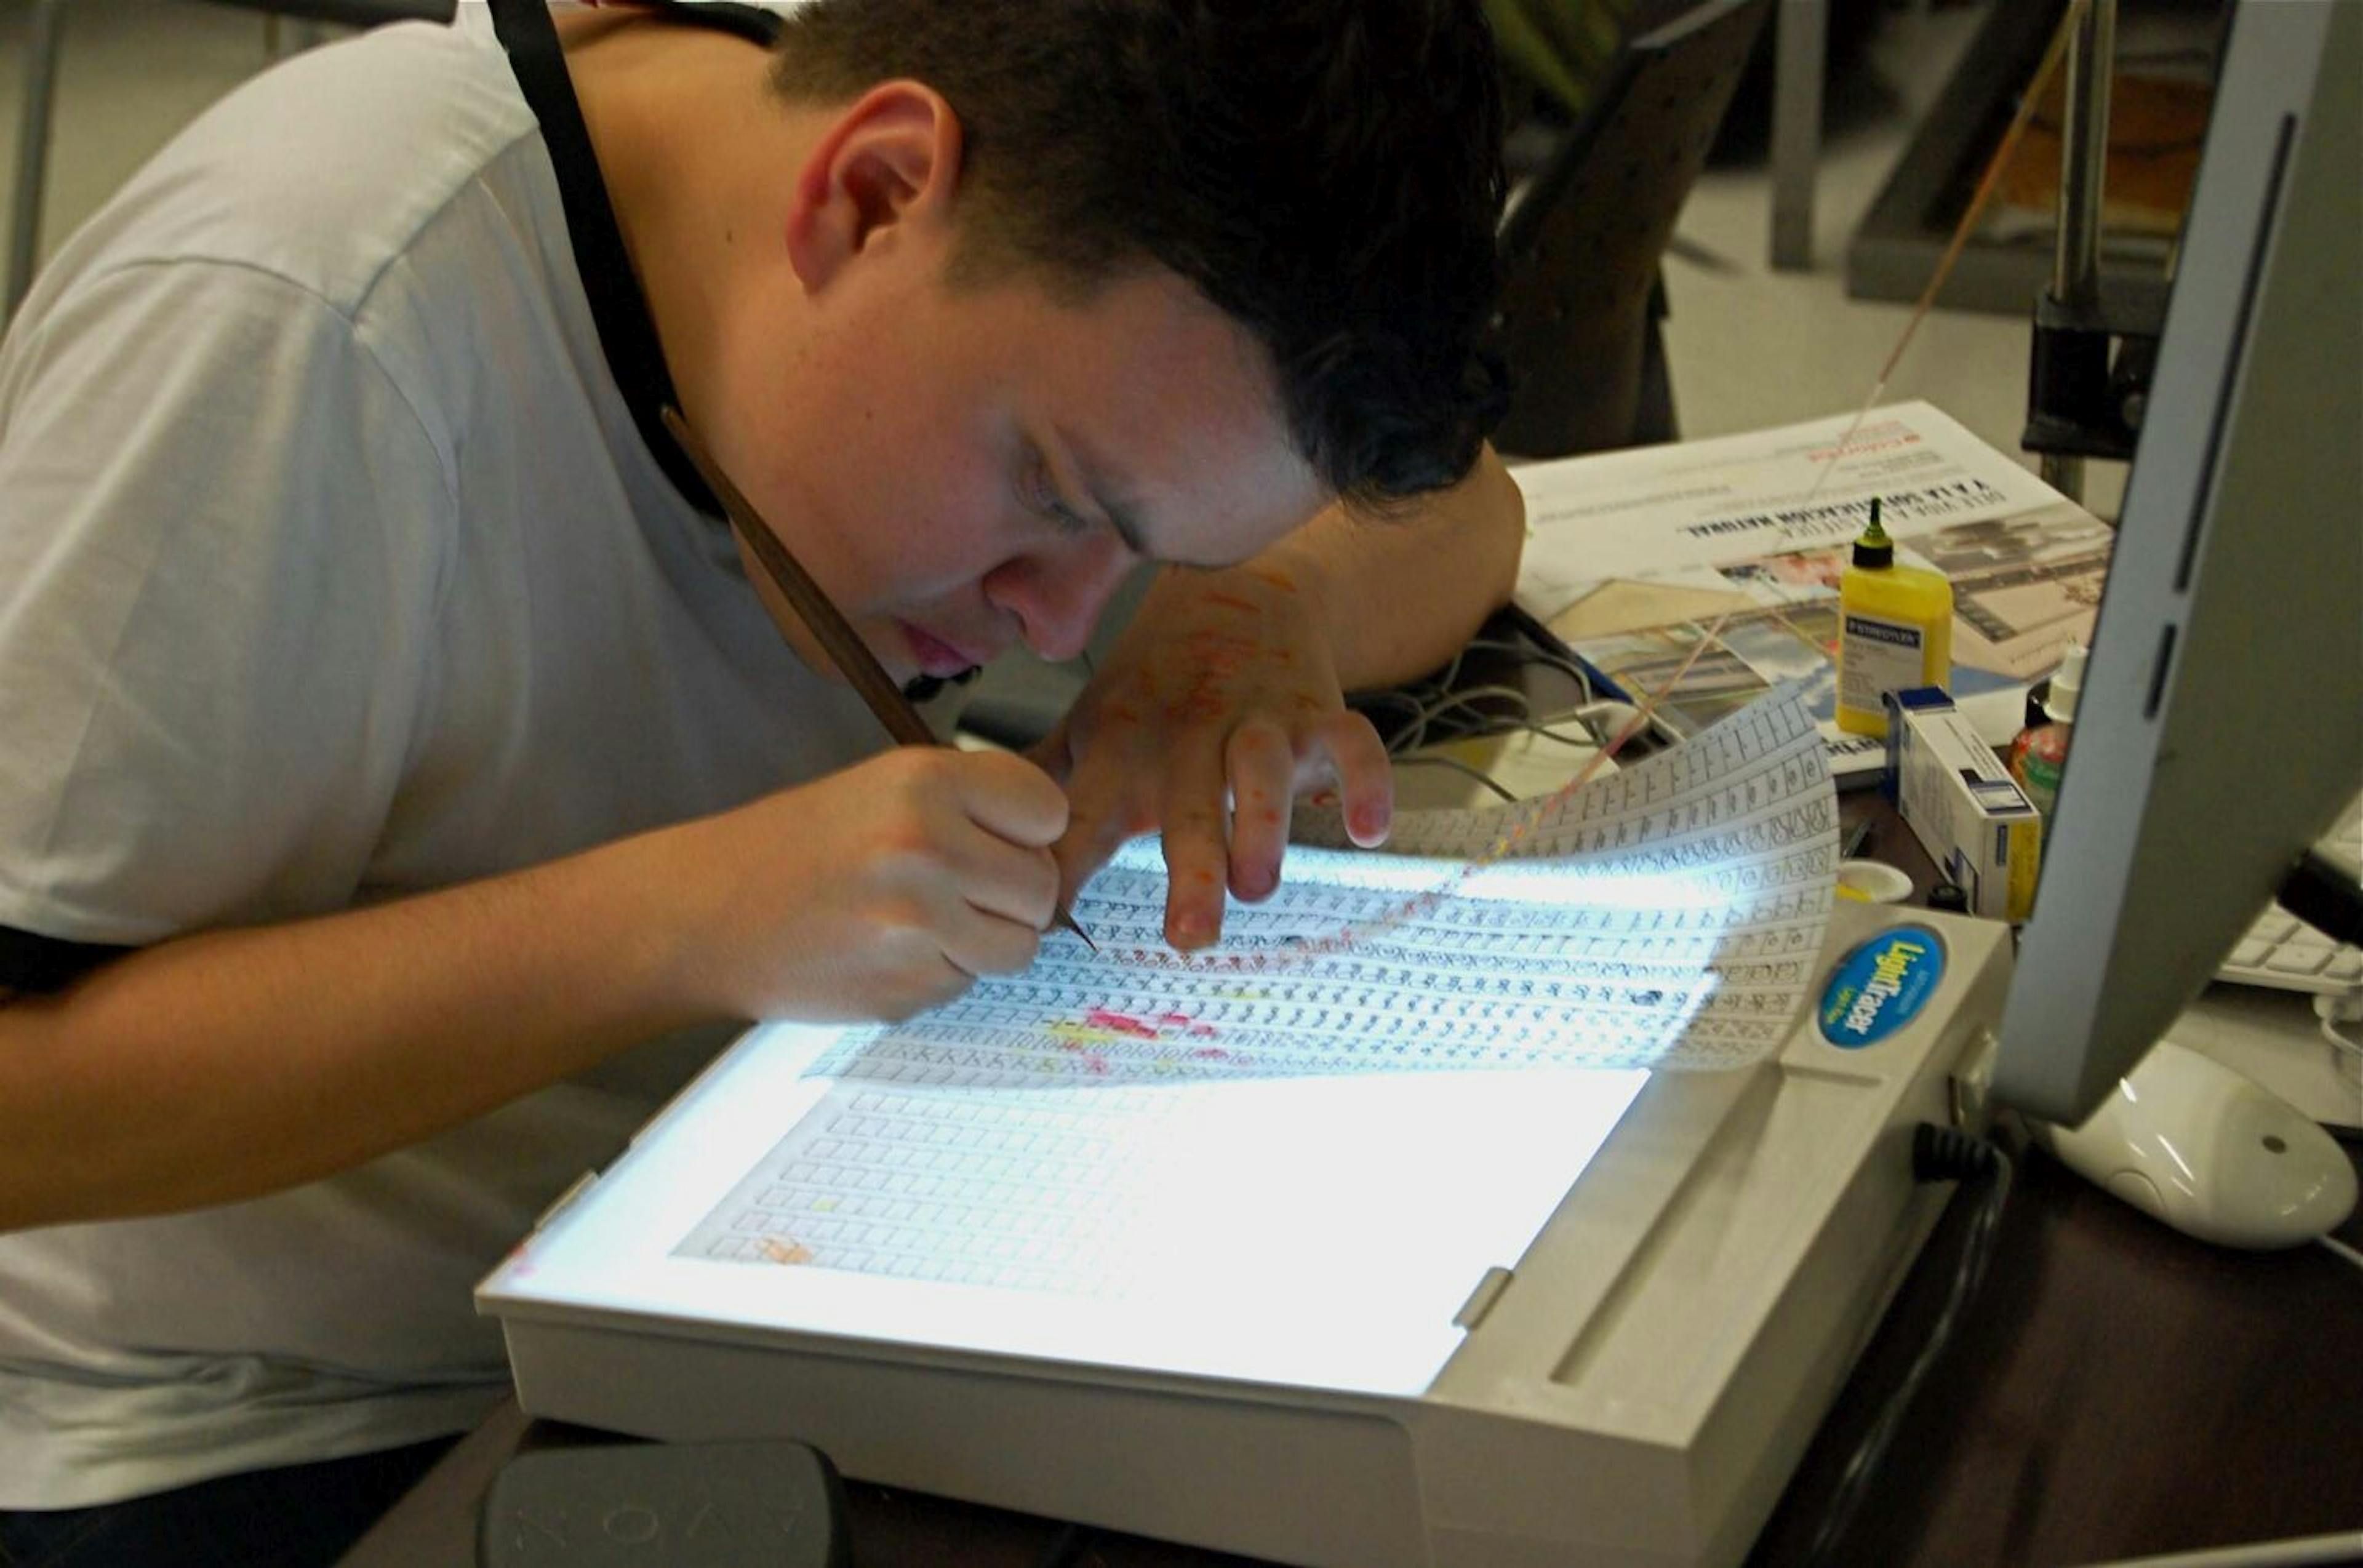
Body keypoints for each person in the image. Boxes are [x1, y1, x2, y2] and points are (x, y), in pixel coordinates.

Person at [0, 0, 1521, 1560]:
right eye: (1056, 494)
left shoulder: (979, 256)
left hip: (728, 1296)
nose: (1060, 616)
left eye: (1148, 543)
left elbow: (1466, 510)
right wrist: (685, 919)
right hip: (280, 1424)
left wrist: (1253, 607)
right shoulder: (305, 312)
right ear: (863, 197)